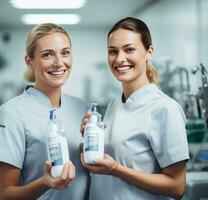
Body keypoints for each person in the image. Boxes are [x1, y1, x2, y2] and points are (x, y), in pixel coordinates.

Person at [80, 17, 189, 200]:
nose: (120, 59)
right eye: (112, 51)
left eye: (129, 49)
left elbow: (177, 187)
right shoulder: (115, 104)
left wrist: (116, 170)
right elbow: (113, 157)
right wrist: (90, 140)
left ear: (149, 52)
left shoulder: (165, 109)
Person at [0, 23, 89, 200]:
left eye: (65, 52)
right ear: (30, 61)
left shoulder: (82, 108)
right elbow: (7, 195)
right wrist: (45, 182)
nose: (59, 63)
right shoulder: (12, 113)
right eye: (47, 55)